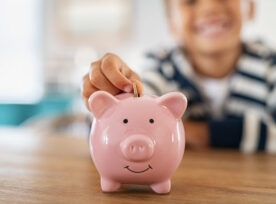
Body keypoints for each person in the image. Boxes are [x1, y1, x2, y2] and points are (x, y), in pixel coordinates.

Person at [82, 0, 276, 153]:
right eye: (190, 1)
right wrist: (116, 98)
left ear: (250, 7)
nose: (209, 7)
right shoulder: (160, 64)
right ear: (171, 23)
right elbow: (128, 124)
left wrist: (200, 134)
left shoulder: (270, 65)